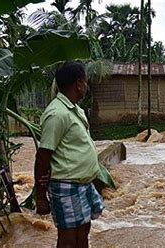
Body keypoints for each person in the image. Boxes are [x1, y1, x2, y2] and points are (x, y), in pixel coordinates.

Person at [35, 61, 104, 248]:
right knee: (68, 239)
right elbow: (43, 155)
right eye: (86, 82)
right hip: (66, 185)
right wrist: (40, 197)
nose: (86, 86)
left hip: (82, 184)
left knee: (83, 232)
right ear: (79, 84)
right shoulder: (57, 114)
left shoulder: (74, 109)